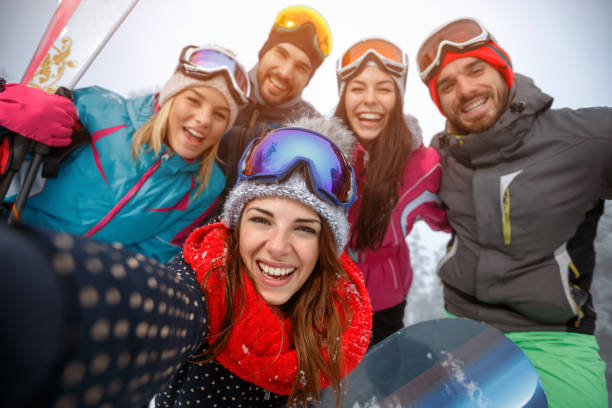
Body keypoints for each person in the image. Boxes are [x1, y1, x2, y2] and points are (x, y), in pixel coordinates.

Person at [0, 119, 372, 408]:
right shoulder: (204, 288)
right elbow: (138, 310)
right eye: (261, 219)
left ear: (327, 246)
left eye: (304, 229)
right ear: (236, 227)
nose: (277, 246)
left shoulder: (340, 319)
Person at [416, 17, 612, 407]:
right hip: (460, 334)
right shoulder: (443, 157)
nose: (465, 89)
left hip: (553, 339)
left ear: (503, 70)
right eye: (448, 85)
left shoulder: (582, 139)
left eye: (475, 70)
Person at [0, 44, 250, 263]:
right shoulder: (101, 109)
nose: (204, 119)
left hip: (68, 282)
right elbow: (14, 153)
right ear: (170, 98)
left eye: (220, 115)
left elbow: (149, 258)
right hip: (12, 236)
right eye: (193, 100)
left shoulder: (206, 187)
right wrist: (12, 104)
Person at [332, 38, 449, 345]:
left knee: (379, 379)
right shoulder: (323, 153)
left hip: (385, 299)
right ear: (344, 97)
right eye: (357, 88)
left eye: (384, 88)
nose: (370, 99)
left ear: (398, 98)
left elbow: (455, 216)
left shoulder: (424, 167)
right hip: (323, 291)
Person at [217, 5, 332, 190]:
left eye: (301, 67)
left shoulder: (310, 133)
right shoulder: (219, 93)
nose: (285, 73)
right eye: (281, 54)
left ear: (308, 80)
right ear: (264, 52)